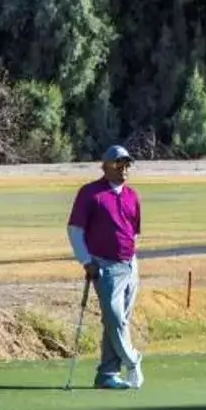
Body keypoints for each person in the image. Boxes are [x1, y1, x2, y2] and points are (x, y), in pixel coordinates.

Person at [67, 146, 144, 390]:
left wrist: (132, 260)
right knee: (115, 319)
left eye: (126, 165)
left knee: (120, 321)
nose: (123, 169)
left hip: (130, 264)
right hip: (104, 266)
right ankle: (132, 360)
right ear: (105, 166)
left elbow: (134, 232)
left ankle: (107, 374)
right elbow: (75, 230)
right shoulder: (91, 194)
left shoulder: (132, 195)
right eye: (118, 164)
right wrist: (86, 261)